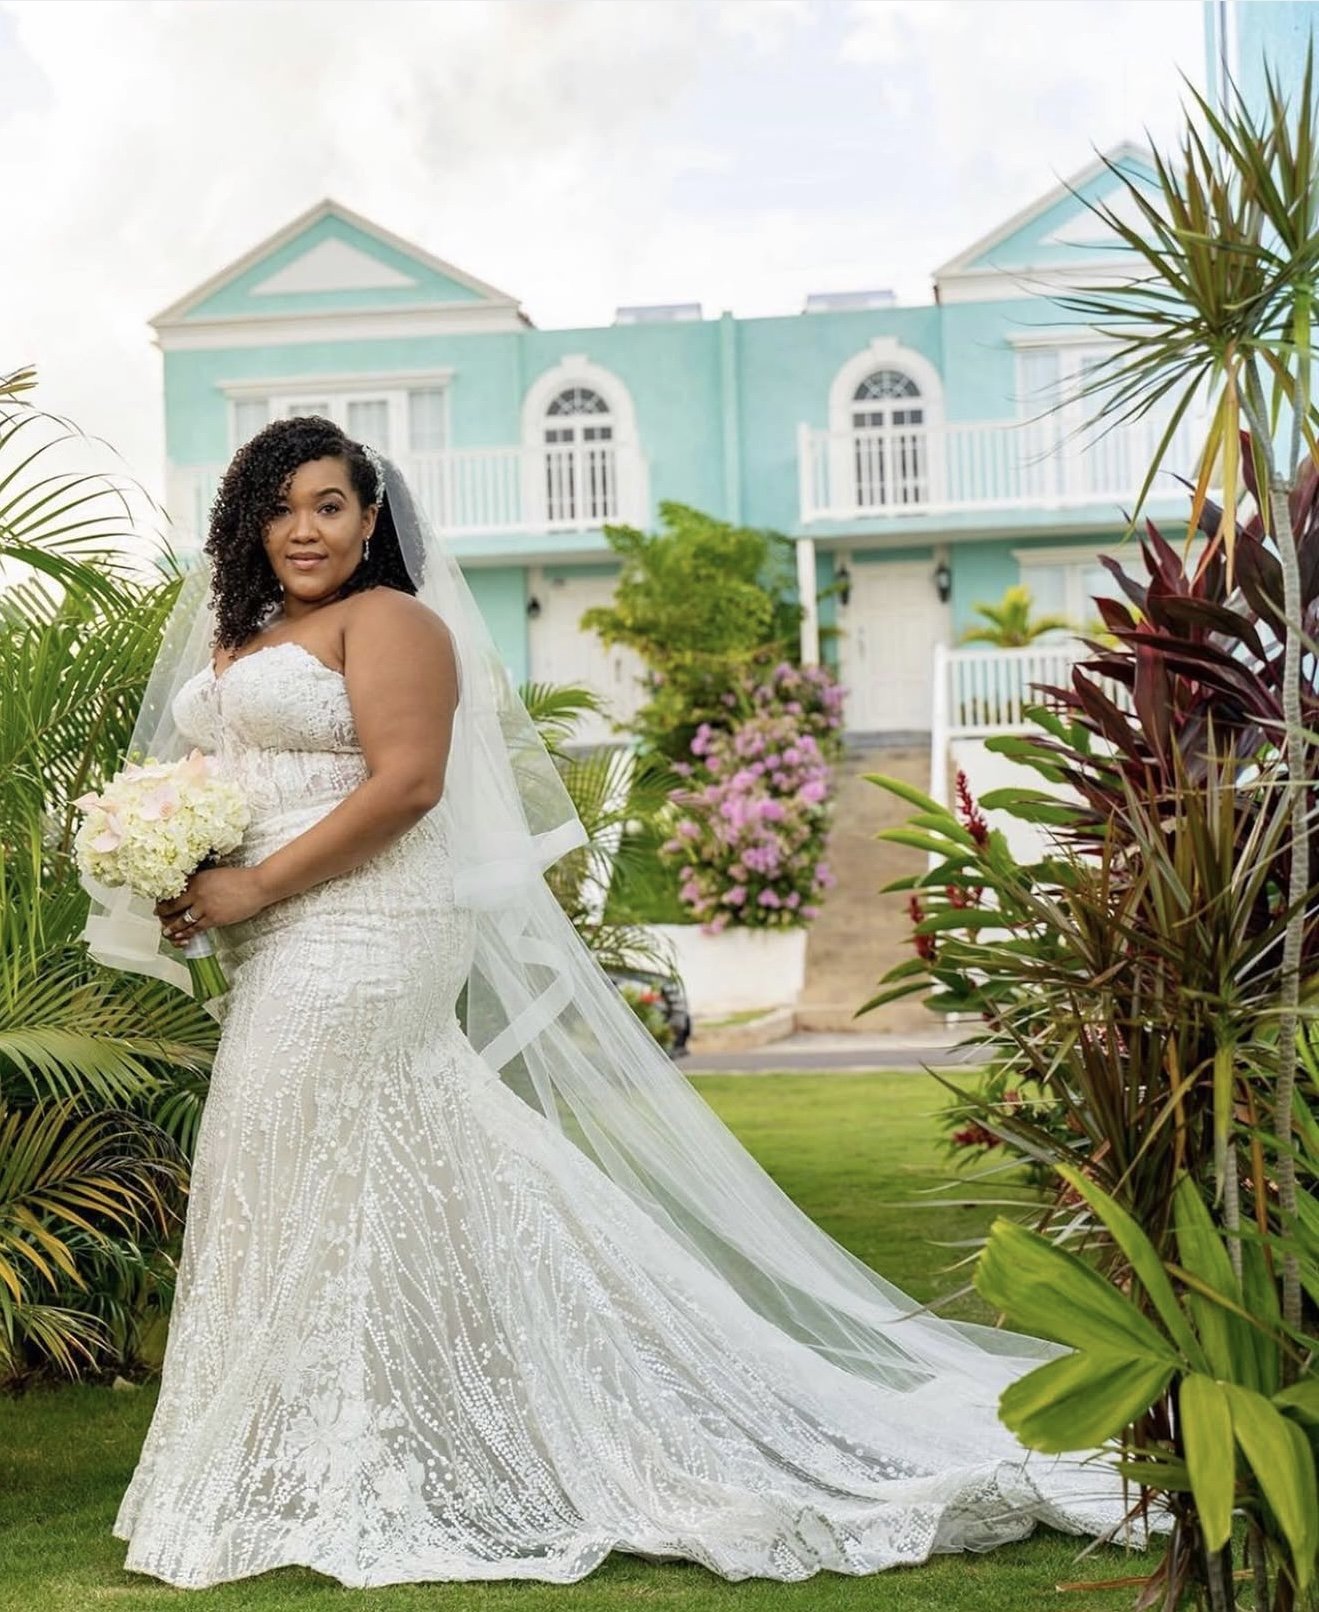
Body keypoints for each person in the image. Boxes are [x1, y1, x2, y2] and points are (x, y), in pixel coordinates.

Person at [79, 416, 1147, 1591]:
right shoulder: (251, 636)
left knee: (320, 1143)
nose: (304, 528)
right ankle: (343, 1438)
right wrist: (185, 877)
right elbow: (235, 786)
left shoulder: (393, 622)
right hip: (276, 935)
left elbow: (410, 784)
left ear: (371, 518)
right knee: (300, 1160)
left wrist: (256, 882)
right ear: (250, 521)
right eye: (281, 507)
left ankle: (437, 1434)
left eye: (329, 504)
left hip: (371, 926)